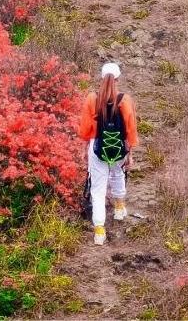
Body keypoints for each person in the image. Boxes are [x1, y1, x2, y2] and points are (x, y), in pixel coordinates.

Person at [77, 60, 139, 244]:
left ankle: (99, 231)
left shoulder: (91, 98)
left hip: (96, 147)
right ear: (118, 78)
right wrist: (130, 152)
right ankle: (119, 208)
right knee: (118, 173)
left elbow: (85, 129)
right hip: (119, 145)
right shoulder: (125, 100)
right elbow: (131, 129)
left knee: (97, 189)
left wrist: (85, 149)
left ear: (101, 78)